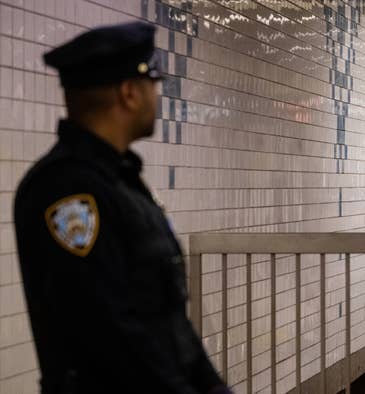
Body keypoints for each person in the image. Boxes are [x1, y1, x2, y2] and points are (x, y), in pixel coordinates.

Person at [13, 22, 229, 394]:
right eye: (153, 85)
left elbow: (169, 323)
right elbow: (109, 336)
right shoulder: (68, 190)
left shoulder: (121, 180)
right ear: (129, 93)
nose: (157, 97)